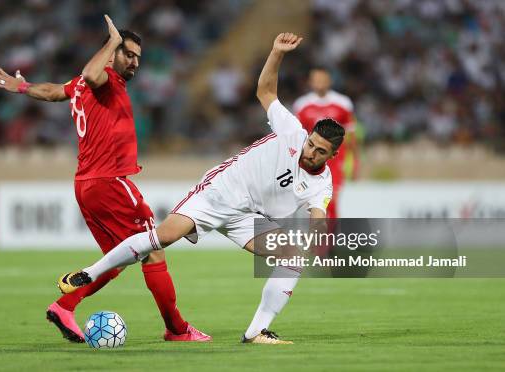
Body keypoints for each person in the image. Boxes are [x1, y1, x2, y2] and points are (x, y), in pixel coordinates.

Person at [57, 33, 345, 344]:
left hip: (246, 215)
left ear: (332, 155)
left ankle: (256, 331)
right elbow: (264, 91)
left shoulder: (322, 183)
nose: (310, 152)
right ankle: (90, 271)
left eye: (319, 151)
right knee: (163, 237)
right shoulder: (292, 131)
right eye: (311, 144)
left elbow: (318, 214)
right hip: (219, 192)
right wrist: (276, 52)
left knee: (293, 257)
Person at [0, 15, 210, 343]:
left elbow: (51, 92)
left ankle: (64, 306)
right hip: (109, 181)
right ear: (111, 55)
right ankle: (177, 329)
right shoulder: (102, 77)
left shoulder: (81, 85)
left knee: (118, 259)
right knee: (153, 248)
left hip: (86, 184)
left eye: (137, 57)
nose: (134, 62)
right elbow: (92, 73)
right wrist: (111, 41)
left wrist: (21, 86)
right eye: (128, 54)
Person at [292, 68, 358, 219]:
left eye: (323, 79)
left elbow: (351, 135)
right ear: (310, 82)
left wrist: (355, 161)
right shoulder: (301, 105)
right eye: (316, 79)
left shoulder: (343, 103)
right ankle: (315, 240)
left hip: (335, 162)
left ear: (329, 81)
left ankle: (330, 240)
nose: (319, 83)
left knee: (331, 202)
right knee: (311, 203)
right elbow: (297, 136)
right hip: (310, 162)